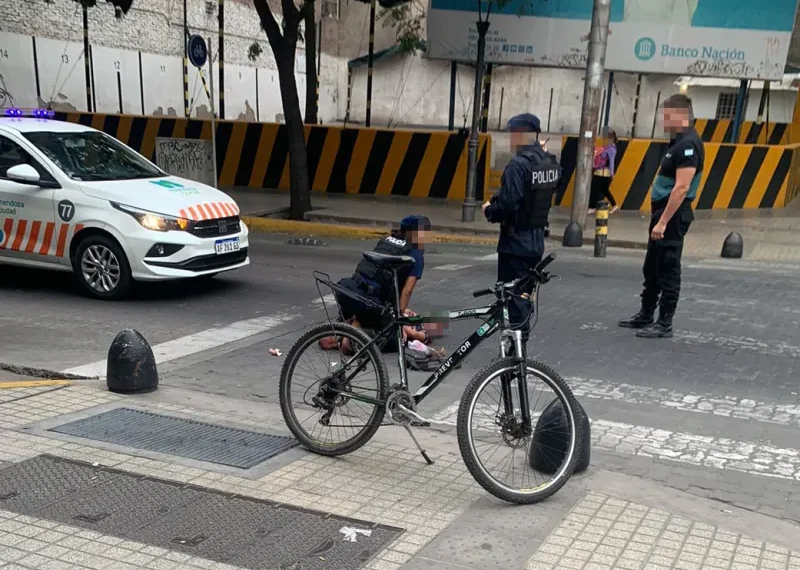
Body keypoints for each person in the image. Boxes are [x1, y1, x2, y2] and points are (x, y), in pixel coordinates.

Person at [618, 94, 703, 339]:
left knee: (667, 267)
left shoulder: (689, 145)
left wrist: (663, 221)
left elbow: (682, 188)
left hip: (673, 216)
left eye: (666, 117)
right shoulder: (678, 142)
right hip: (663, 214)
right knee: (652, 267)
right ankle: (646, 315)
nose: (663, 121)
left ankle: (664, 323)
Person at [482, 113, 561, 347]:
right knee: (525, 296)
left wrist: (489, 210)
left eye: (512, 134)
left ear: (521, 134)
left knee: (512, 298)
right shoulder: (550, 162)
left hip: (515, 242)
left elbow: (507, 204)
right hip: (536, 242)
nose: (510, 139)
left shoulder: (518, 165)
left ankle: (515, 352)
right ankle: (519, 344)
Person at [322, 215, 431, 354]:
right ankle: (350, 341)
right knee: (396, 338)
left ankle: (348, 327)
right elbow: (407, 291)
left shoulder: (386, 241)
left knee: (374, 316)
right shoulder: (415, 254)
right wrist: (398, 318)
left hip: (350, 291)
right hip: (370, 302)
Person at [589, 126, 619, 215]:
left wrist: (612, 173)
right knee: (604, 190)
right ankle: (614, 205)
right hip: (600, 172)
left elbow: (612, 162)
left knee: (594, 189)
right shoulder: (606, 147)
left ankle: (592, 207)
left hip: (603, 173)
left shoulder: (611, 149)